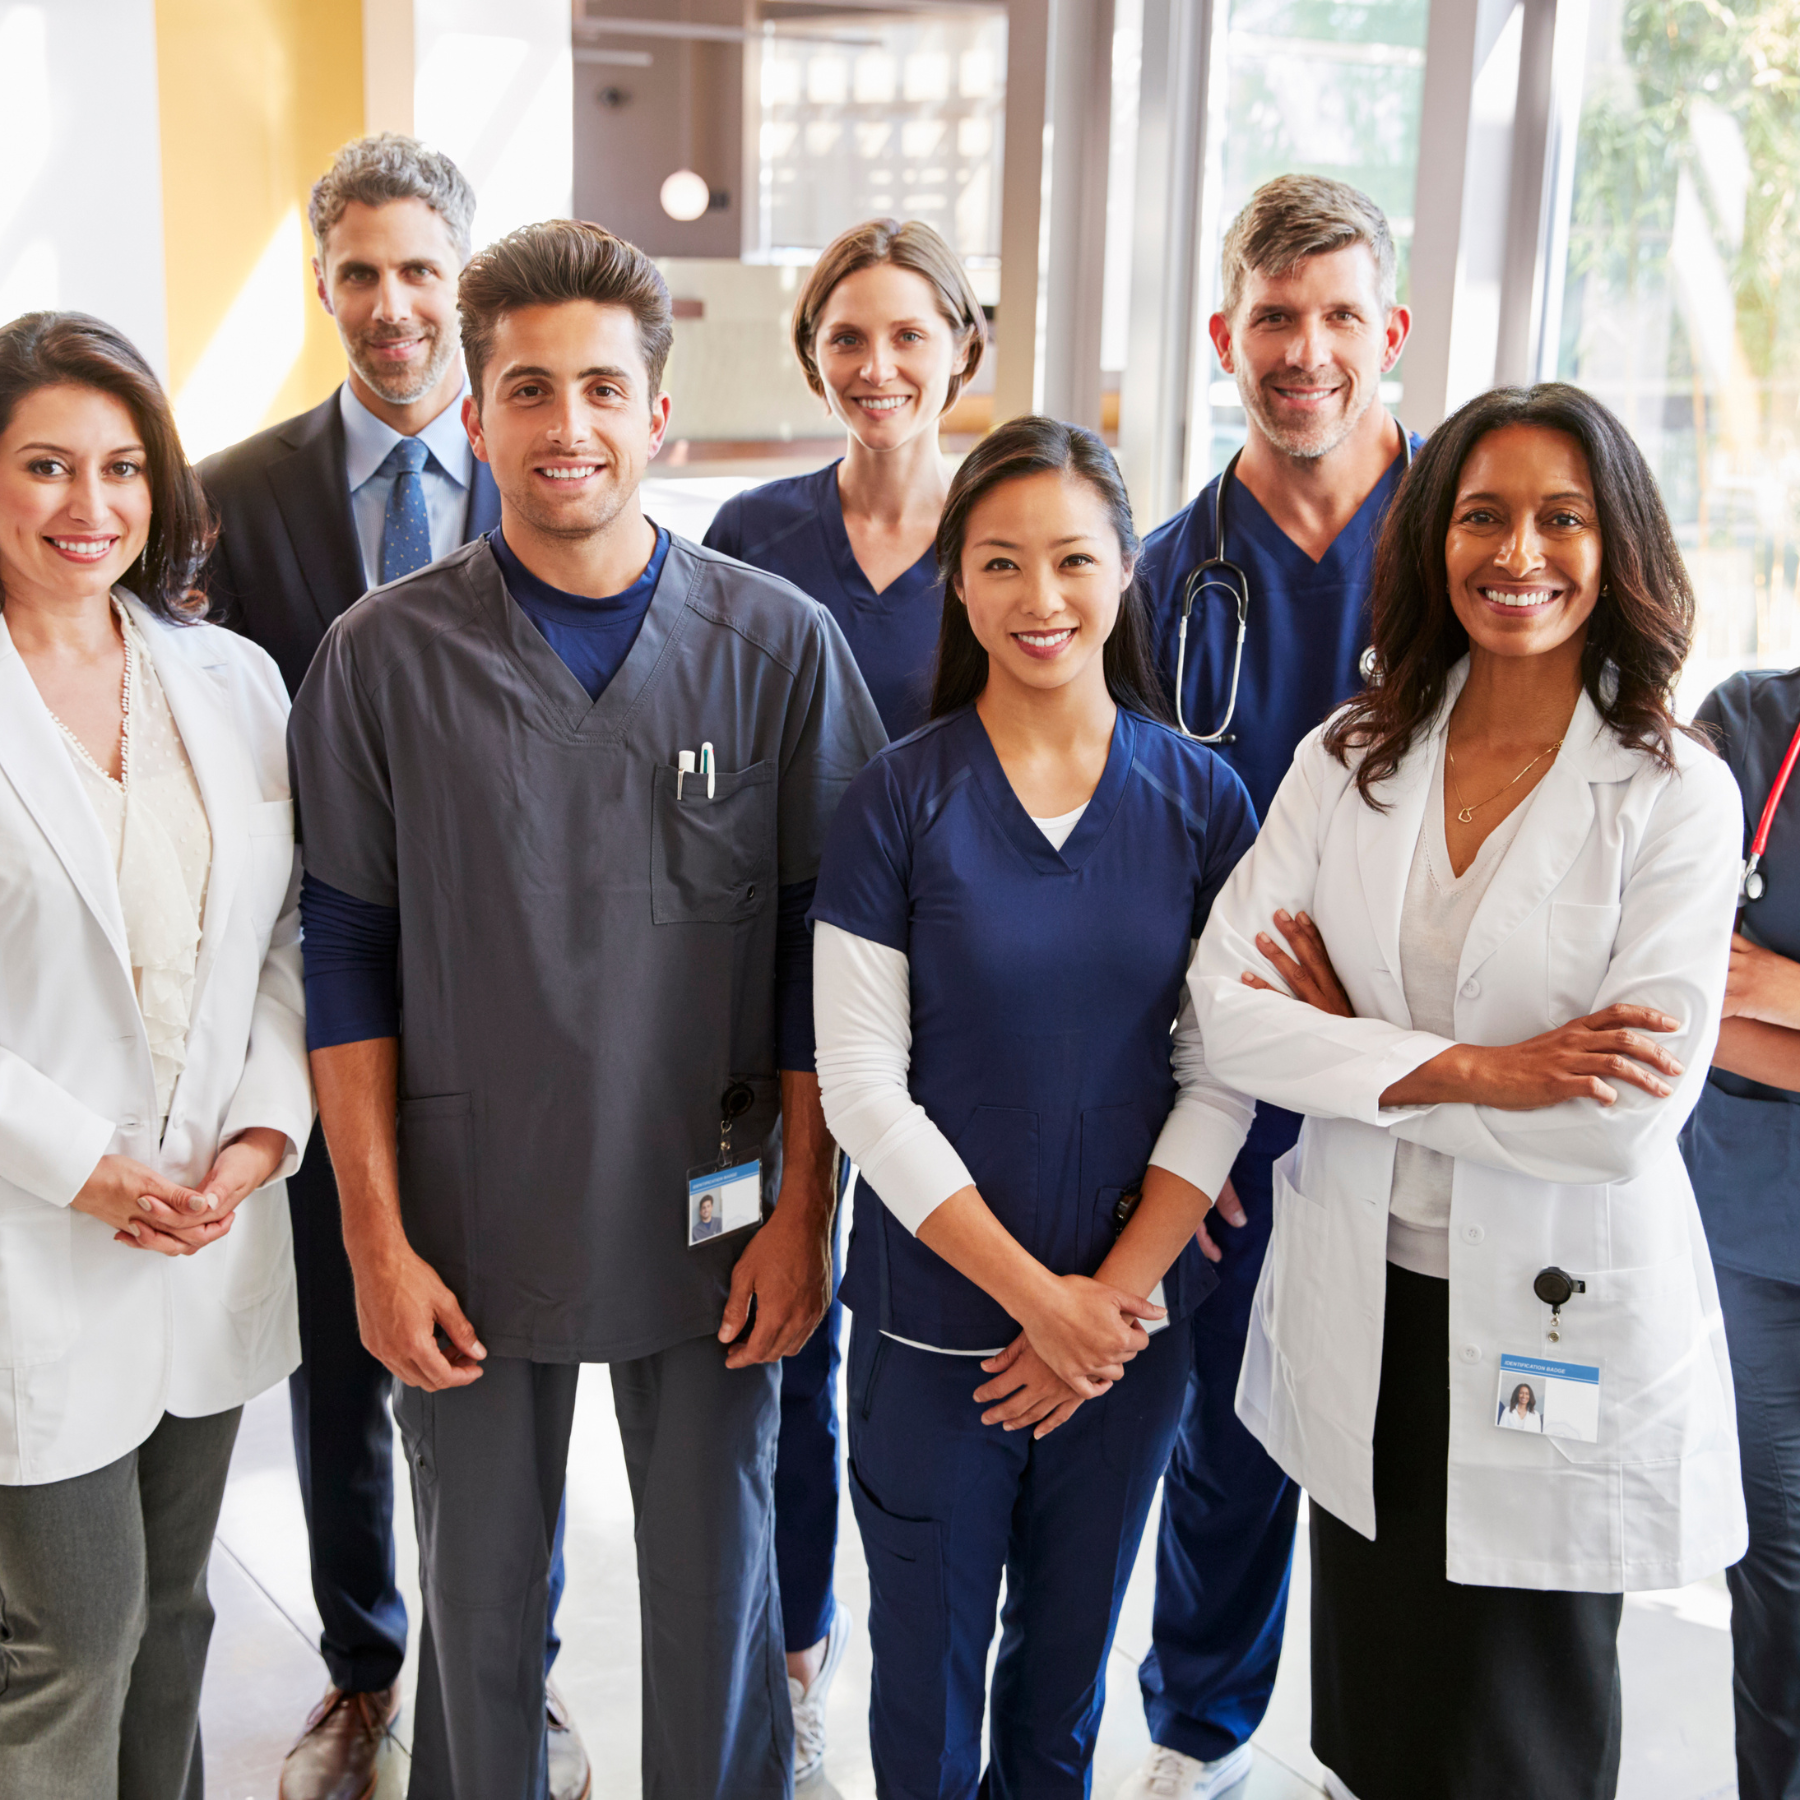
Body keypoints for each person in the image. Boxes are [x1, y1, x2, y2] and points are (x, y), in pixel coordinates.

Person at [287, 218, 884, 1798]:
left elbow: (830, 964)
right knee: (477, 1609)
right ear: (472, 419)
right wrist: (370, 1235)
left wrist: (804, 1214)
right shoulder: (379, 660)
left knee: (716, 1591)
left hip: (717, 1211)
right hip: (468, 1213)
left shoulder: (777, 649)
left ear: (660, 414)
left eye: (604, 388)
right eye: (530, 390)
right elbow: (342, 951)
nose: (569, 426)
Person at [1189, 383, 1747, 1799]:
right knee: (1380, 1722)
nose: (1521, 554)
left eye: (1563, 519)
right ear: (1435, 539)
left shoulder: (1674, 792)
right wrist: (1486, 1071)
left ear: (1617, 548)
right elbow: (1227, 1012)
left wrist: (1359, 1057)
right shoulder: (1348, 757)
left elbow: (1624, 1115)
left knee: (1521, 1733)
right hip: (1371, 1296)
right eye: (1485, 516)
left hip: (1556, 1316)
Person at [198, 134, 588, 1798]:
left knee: (521, 1350)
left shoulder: (549, 477)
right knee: (348, 1351)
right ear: (322, 287)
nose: (391, 305)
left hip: (521, 1001)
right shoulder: (228, 495)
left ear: (467, 281)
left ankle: (515, 1669)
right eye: (357, 271)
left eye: (422, 270)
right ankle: (364, 1669)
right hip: (323, 991)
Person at [812, 417, 1259, 1794]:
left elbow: (1223, 1068)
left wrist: (1105, 1311)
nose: (1040, 598)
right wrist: (1039, 1304)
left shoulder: (1202, 802)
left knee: (1061, 1702)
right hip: (934, 1331)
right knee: (928, 1707)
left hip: (1125, 1348)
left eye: (1073, 559)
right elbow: (860, 1091)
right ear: (958, 582)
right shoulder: (895, 800)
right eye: (1000, 563)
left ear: (1129, 570)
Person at [1118, 173, 1420, 1800]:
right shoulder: (1163, 581)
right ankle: (1197, 1741)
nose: (1306, 352)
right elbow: (1135, 878)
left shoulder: (1480, 547)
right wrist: (1178, 1125)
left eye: (1339, 318)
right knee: (1223, 1452)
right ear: (1226, 335)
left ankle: (1378, 1751)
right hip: (1228, 1106)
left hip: (1430, 1089)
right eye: (1275, 321)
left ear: (1394, 334)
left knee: (1411, 1464)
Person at [0, 312, 311, 1794]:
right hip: (34, 1242)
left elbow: (289, 938)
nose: (91, 506)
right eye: (47, 465)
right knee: (75, 1633)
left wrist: (258, 1141)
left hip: (205, 1227)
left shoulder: (232, 681)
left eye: (122, 468)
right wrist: (91, 1173)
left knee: (177, 1615)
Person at [702, 215, 986, 1781]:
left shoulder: (1012, 526)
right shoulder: (751, 530)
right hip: (786, 989)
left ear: (962, 347)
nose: (877, 368)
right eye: (848, 337)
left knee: (925, 1337)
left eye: (907, 336)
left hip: (968, 999)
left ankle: (939, 1675)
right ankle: (797, 1658)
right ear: (815, 350)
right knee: (787, 1321)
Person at [1680, 666, 1800, 1800]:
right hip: (1756, 1232)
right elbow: (1679, 994)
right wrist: (1737, 1001)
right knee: (1781, 1572)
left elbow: (1735, 995)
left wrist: (1783, 990)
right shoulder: (1753, 724)